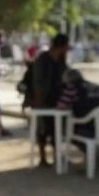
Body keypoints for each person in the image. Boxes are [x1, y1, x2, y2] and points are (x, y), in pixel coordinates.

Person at [33, 33, 69, 166]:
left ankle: (57, 156)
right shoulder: (43, 59)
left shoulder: (61, 60)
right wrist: (39, 99)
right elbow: (38, 81)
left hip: (57, 98)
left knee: (57, 128)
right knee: (43, 128)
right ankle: (43, 158)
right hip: (43, 98)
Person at [57, 69, 99, 141]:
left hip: (88, 128)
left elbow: (61, 107)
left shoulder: (72, 88)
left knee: (66, 131)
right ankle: (93, 150)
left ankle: (90, 151)